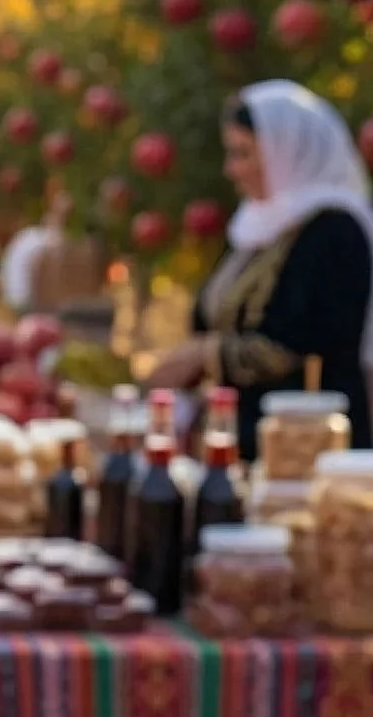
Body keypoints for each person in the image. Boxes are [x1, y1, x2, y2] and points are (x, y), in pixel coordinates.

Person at [151, 80, 373, 455]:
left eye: (243, 154)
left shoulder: (334, 229)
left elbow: (303, 341)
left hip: (306, 447)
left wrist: (204, 356)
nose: (231, 169)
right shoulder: (254, 228)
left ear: (286, 152)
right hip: (235, 440)